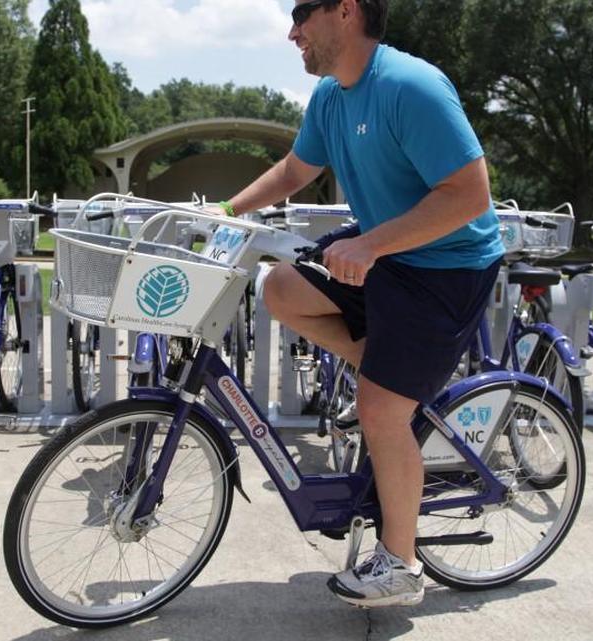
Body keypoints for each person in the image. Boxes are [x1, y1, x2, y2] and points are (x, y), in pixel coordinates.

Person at [215, 0, 504, 607]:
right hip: (386, 255)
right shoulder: (330, 96)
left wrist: (370, 242)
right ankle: (383, 375)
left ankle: (400, 566)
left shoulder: (409, 86)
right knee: (280, 288)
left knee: (380, 413)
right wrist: (224, 212)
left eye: (301, 13)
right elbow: (295, 169)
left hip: (446, 269)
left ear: (345, 10)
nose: (291, 31)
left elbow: (471, 195)